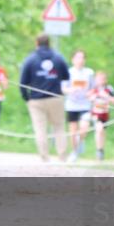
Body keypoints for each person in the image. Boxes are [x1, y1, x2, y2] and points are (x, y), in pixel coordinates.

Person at [18, 34, 71, 162]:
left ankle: (44, 156)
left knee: (40, 128)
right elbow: (66, 76)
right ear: (49, 43)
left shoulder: (30, 59)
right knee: (59, 127)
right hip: (55, 97)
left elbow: (22, 82)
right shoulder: (58, 58)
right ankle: (62, 155)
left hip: (36, 100)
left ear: (37, 43)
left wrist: (27, 98)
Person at [62, 50, 94, 161]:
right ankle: (74, 152)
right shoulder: (68, 72)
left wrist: (89, 94)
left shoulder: (89, 72)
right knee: (73, 132)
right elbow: (63, 88)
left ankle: (81, 141)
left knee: (84, 128)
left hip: (85, 105)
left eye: (82, 58)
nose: (80, 60)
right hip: (71, 105)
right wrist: (71, 90)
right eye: (78, 58)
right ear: (73, 60)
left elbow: (93, 88)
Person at [87, 71, 114, 161]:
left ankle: (101, 149)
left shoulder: (109, 89)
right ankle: (99, 150)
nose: (100, 81)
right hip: (95, 113)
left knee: (102, 132)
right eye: (98, 79)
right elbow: (87, 96)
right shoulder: (93, 88)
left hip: (105, 114)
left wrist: (106, 97)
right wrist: (93, 97)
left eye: (102, 79)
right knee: (99, 129)